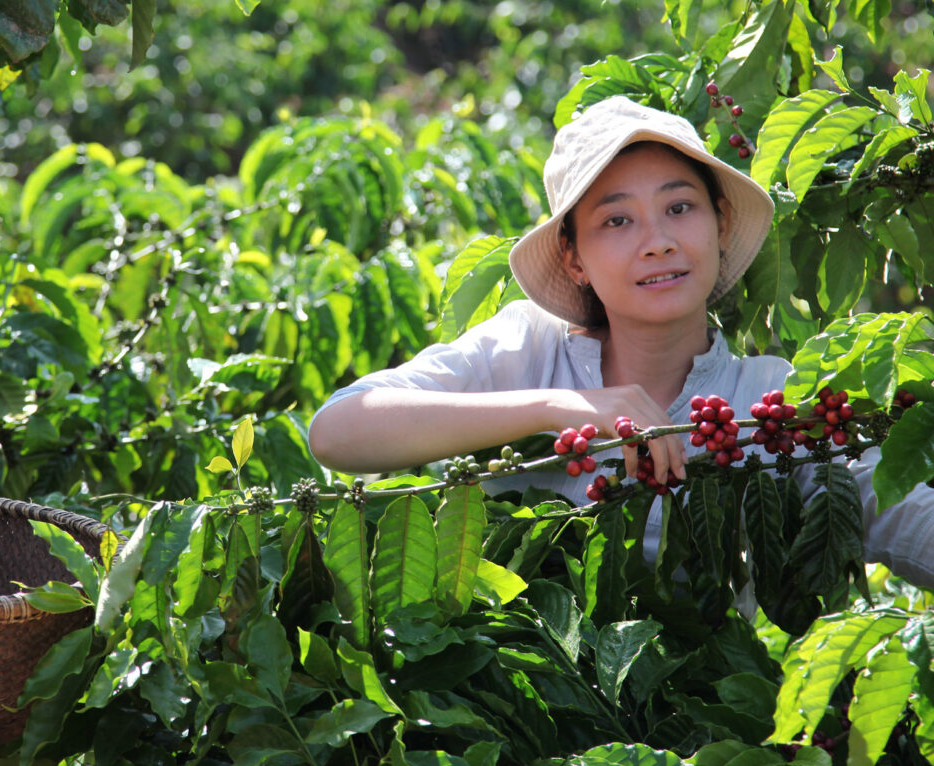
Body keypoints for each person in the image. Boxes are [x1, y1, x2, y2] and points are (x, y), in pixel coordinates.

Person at [308, 95, 934, 588]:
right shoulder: (528, 350)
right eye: (616, 220)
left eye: (679, 208)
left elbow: (908, 519)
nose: (657, 240)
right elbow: (337, 431)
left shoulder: (767, 400)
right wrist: (564, 408)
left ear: (719, 225)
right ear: (575, 259)